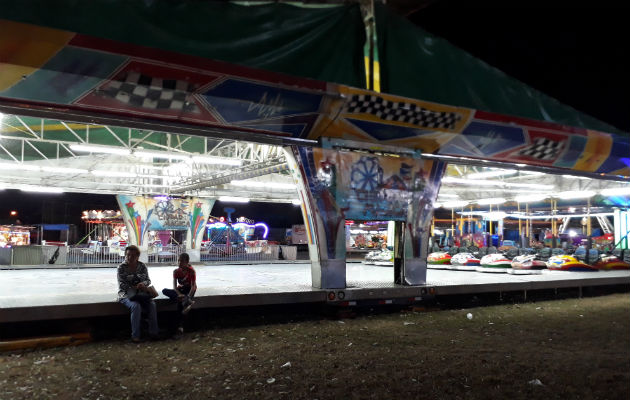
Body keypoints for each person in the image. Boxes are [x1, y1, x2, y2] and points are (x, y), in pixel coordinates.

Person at [117, 245, 159, 342]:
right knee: (136, 306)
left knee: (152, 304)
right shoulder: (121, 267)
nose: (130, 257)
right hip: (126, 295)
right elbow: (121, 284)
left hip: (141, 294)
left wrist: (143, 284)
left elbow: (148, 280)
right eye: (128, 255)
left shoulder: (142, 266)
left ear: (137, 256)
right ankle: (135, 335)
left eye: (133, 255)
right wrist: (134, 287)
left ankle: (154, 333)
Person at [162, 253, 197, 335]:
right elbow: (174, 286)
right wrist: (179, 294)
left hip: (189, 290)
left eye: (182, 261)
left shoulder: (191, 271)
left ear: (187, 262)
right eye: (178, 261)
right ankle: (188, 302)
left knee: (180, 305)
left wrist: (188, 296)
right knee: (164, 290)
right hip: (180, 291)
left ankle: (180, 327)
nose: (179, 263)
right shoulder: (176, 271)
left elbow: (193, 286)